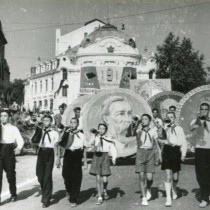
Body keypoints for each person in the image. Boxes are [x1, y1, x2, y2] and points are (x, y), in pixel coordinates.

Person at [159, 112, 187, 207]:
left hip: (175, 152)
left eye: (171, 117)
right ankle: (168, 198)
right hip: (167, 150)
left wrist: (183, 154)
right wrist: (162, 128)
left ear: (175, 119)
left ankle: (174, 188)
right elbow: (160, 139)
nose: (169, 119)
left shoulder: (179, 129)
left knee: (175, 177)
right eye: (168, 117)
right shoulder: (164, 128)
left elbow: (183, 141)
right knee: (168, 175)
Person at [32, 115, 59, 208]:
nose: (45, 122)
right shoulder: (40, 131)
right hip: (41, 152)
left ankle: (46, 199)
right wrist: (38, 131)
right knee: (40, 176)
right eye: (44, 120)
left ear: (51, 122)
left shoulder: (54, 133)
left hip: (49, 153)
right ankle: (45, 192)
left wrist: (58, 158)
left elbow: (56, 146)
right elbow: (34, 141)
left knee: (47, 176)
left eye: (47, 120)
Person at [59, 117, 87, 207]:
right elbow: (60, 143)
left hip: (77, 155)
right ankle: (69, 190)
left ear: (77, 124)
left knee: (76, 177)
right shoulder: (66, 133)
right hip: (68, 154)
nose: (72, 124)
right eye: (71, 122)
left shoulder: (81, 135)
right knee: (65, 175)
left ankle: (74, 198)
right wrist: (65, 132)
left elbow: (84, 148)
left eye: (74, 122)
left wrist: (85, 161)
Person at [0, 109, 24, 204]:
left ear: (9, 117)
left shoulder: (13, 128)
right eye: (1, 116)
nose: (2, 118)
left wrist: (19, 148)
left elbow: (20, 139)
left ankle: (13, 193)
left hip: (9, 151)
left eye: (5, 115)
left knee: (10, 175)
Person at [89, 123, 117, 205]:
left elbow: (112, 148)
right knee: (98, 178)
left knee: (105, 179)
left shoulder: (108, 138)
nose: (101, 130)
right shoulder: (96, 137)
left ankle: (105, 190)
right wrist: (92, 135)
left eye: (103, 129)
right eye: (100, 128)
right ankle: (100, 196)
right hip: (97, 157)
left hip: (105, 157)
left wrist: (114, 158)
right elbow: (90, 143)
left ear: (106, 130)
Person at [135, 114, 160, 206]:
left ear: (149, 121)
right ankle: (144, 197)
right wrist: (136, 123)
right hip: (140, 153)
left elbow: (156, 145)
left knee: (149, 178)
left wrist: (158, 157)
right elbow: (131, 132)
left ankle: (148, 188)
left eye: (146, 119)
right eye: (142, 119)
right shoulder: (138, 131)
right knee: (141, 176)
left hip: (150, 154)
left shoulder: (153, 131)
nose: (143, 120)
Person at [190, 102, 210, 208]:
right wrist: (200, 120)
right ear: (200, 110)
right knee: (201, 174)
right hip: (200, 149)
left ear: (209, 110)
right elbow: (192, 128)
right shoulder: (195, 121)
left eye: (206, 109)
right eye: (202, 109)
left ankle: (208, 193)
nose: (204, 111)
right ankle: (204, 198)